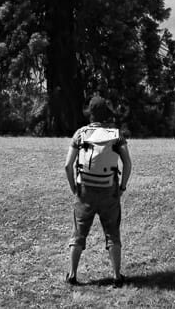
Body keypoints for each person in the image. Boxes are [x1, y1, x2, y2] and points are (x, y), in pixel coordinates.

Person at [64, 95, 132, 287]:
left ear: (90, 113)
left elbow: (67, 165)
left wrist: (74, 188)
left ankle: (72, 274)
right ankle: (117, 276)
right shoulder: (117, 135)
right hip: (109, 189)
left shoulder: (80, 134)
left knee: (79, 232)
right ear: (106, 114)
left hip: (84, 189)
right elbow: (127, 164)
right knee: (112, 232)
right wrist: (122, 187)